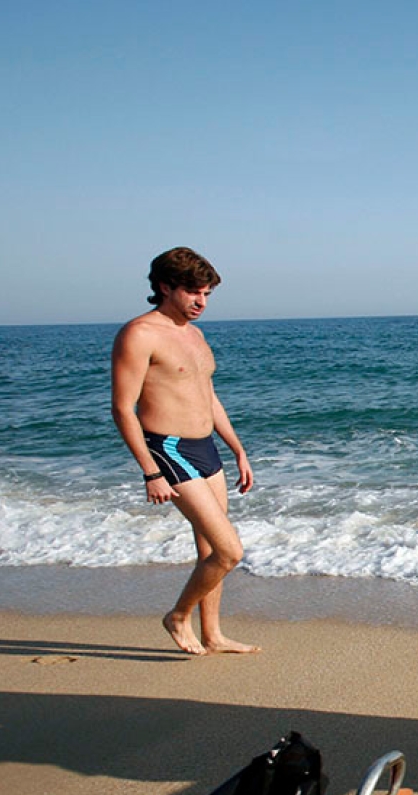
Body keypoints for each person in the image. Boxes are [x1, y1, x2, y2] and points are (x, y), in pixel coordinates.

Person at [110, 247, 258, 656]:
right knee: (230, 551)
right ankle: (178, 616)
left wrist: (238, 450)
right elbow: (123, 408)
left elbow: (208, 397)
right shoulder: (139, 334)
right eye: (193, 292)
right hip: (168, 448)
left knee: (210, 551)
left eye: (207, 294)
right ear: (164, 287)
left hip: (205, 448)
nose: (201, 302)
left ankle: (212, 635)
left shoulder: (195, 335)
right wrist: (150, 471)